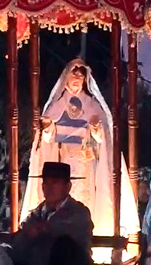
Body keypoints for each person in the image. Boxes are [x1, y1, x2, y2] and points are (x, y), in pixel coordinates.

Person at [21, 58, 140, 240]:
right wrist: (47, 128)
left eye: (80, 75)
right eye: (73, 74)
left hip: (85, 162)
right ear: (66, 77)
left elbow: (103, 139)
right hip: (61, 159)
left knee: (85, 200)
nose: (76, 78)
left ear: (85, 79)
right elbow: (47, 139)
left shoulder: (92, 105)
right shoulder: (56, 104)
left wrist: (95, 129)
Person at [11, 161, 95, 265]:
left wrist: (46, 228)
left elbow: (72, 233)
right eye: (45, 183)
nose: (49, 188)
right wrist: (28, 236)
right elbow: (19, 246)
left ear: (67, 187)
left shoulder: (79, 212)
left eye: (55, 183)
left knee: (64, 246)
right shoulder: (35, 215)